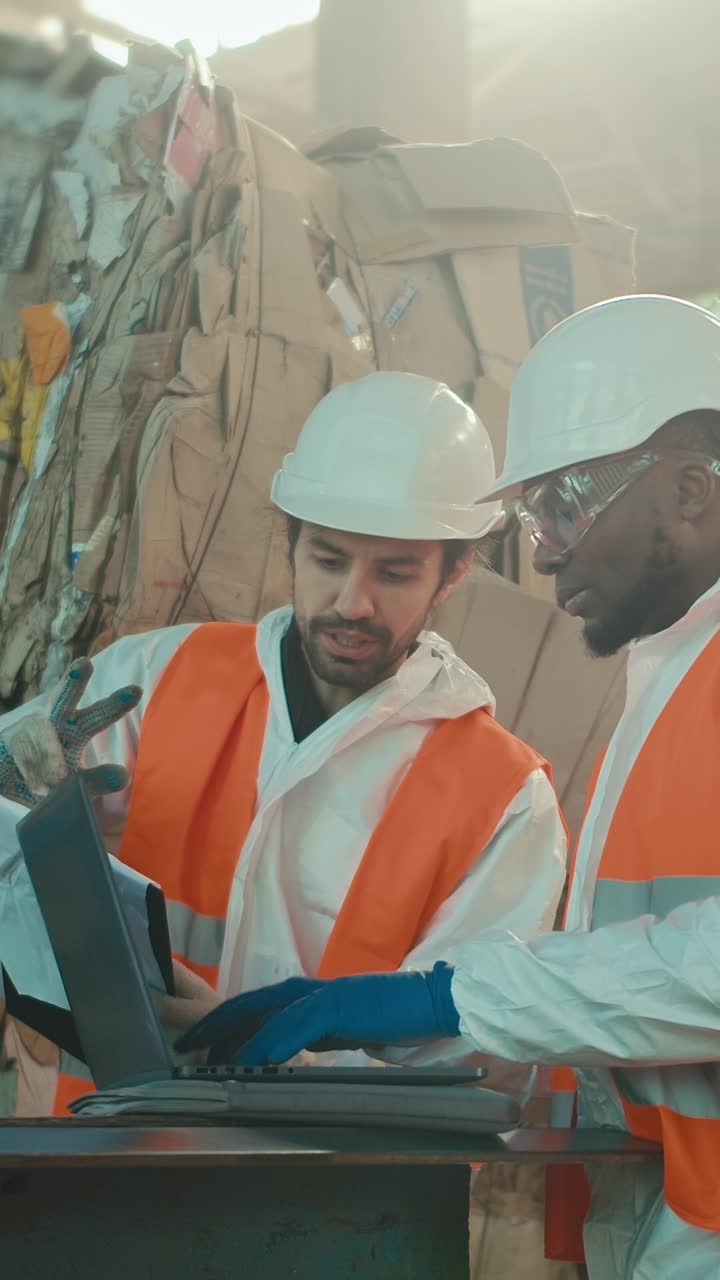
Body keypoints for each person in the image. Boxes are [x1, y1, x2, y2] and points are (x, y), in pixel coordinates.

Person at [178, 296, 720, 1280]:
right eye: (531, 516)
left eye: (561, 506)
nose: (546, 549)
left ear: (688, 490)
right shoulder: (675, 672)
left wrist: (447, 993)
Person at [0, 370, 567, 1115]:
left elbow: (473, 1066)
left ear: (454, 571)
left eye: (395, 572)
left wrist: (261, 1057)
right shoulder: (155, 678)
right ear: (291, 541)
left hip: (332, 1199)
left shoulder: (505, 800)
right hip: (109, 1150)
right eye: (328, 559)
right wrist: (22, 803)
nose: (351, 602)